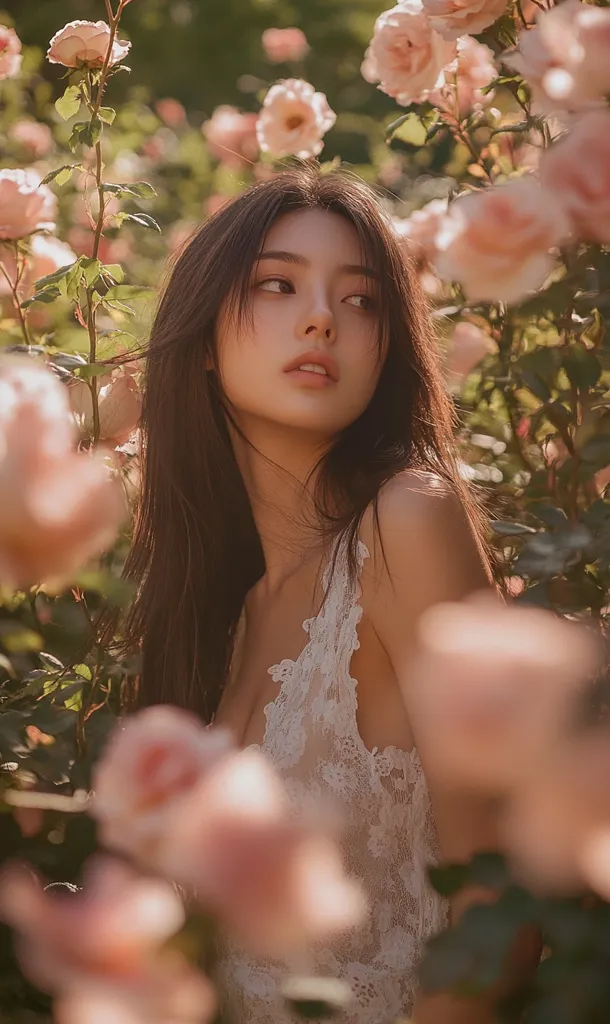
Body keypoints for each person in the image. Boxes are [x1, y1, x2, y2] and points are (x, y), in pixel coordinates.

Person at [112, 165, 528, 1023]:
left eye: (363, 300)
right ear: (201, 331)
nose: (320, 319)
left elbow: (506, 898)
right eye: (277, 283)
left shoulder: (407, 521)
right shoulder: (225, 615)